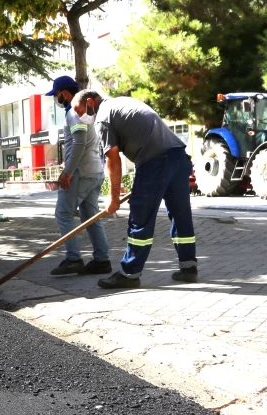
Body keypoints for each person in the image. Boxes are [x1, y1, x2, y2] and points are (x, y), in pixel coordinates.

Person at [72, 89, 197, 289]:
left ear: (90, 102)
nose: (80, 117)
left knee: (140, 217)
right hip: (179, 157)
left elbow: (113, 160)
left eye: (80, 111)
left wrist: (113, 199)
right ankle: (189, 267)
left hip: (155, 161)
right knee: (181, 214)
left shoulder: (103, 117)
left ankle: (129, 273)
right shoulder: (121, 102)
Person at [45, 76, 110, 276]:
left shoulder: (74, 112)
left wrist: (68, 172)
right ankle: (102, 260)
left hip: (81, 172)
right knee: (90, 216)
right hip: (95, 171)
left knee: (63, 213)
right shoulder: (89, 112)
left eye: (56, 95)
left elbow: (79, 143)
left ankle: (74, 259)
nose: (56, 99)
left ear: (64, 93)